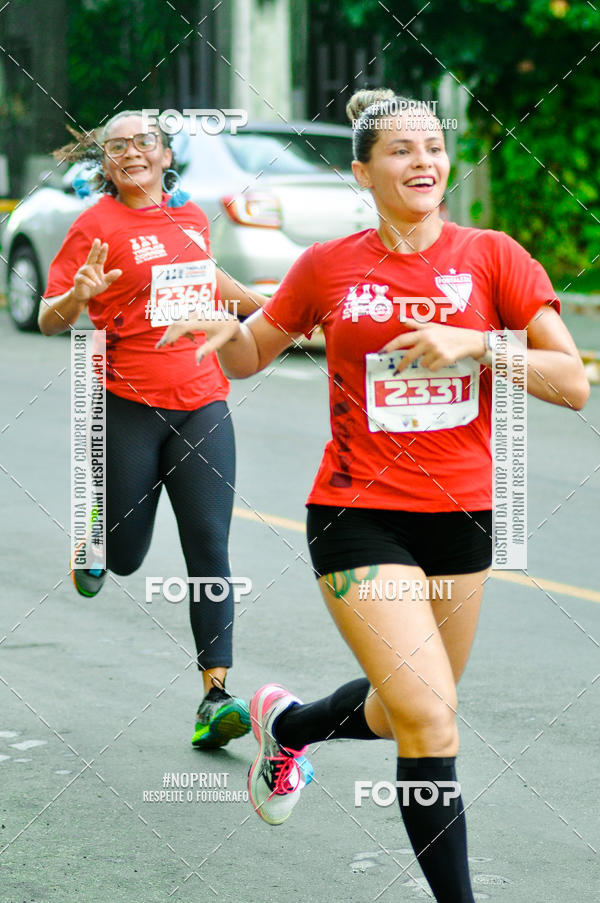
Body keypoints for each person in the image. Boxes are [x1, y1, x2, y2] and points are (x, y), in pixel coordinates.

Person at [159, 88, 589, 901]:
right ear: (362, 170)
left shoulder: (493, 255)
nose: (422, 161)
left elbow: (572, 384)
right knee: (429, 715)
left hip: (462, 517)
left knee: (407, 710)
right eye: (400, 149)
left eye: (433, 146)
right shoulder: (329, 265)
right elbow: (253, 353)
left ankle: (288, 726)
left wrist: (480, 342)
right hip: (359, 513)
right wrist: (225, 333)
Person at [39, 110, 266, 751]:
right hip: (130, 406)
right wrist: (78, 297)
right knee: (129, 554)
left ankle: (215, 697)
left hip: (202, 402)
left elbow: (204, 276)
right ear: (106, 165)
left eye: (144, 142)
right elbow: (50, 317)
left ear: (166, 155)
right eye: (118, 146)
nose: (132, 152)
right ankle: (96, 539)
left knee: (210, 550)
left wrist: (271, 306)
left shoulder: (190, 217)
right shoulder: (94, 226)